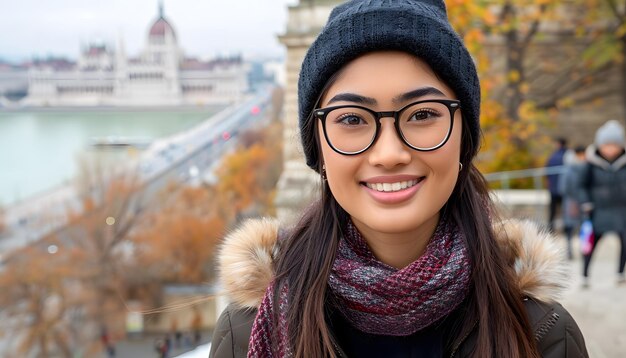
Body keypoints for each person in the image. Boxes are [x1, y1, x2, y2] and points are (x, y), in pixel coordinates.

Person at [210, 1, 587, 357]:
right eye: (353, 119)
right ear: (319, 149)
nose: (389, 154)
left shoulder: (541, 333)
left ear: (463, 139)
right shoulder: (247, 333)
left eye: (422, 115)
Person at [579, 119, 626, 287]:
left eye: (614, 145)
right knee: (590, 244)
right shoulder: (590, 165)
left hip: (621, 210)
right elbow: (581, 185)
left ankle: (620, 273)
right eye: (607, 145)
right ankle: (585, 275)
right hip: (599, 210)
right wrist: (586, 202)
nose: (610, 149)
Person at [558, 145, 586, 260]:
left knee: (582, 228)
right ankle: (570, 250)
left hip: (579, 202)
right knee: (570, 228)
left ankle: (583, 250)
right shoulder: (569, 169)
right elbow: (563, 188)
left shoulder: (584, 168)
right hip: (572, 202)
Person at [546, 137, 568, 232]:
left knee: (553, 210)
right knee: (565, 210)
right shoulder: (567, 156)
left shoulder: (553, 156)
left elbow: (547, 171)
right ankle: (566, 229)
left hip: (553, 188)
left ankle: (551, 229)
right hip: (564, 188)